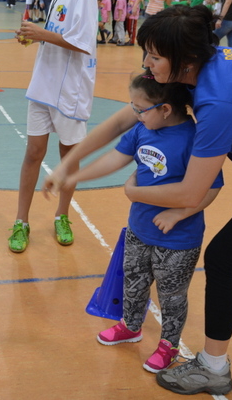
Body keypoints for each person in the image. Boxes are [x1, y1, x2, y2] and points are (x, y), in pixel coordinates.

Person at [45, 5, 232, 396]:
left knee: (224, 255)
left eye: (154, 56)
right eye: (146, 54)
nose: (146, 64)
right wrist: (68, 164)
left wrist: (133, 191)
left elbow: (192, 193)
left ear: (184, 59)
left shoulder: (217, 101)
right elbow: (126, 118)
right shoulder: (191, 72)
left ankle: (213, 367)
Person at [66, 74, 222, 374]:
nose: (136, 115)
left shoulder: (195, 139)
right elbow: (115, 158)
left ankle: (169, 345)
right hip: (139, 229)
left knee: (171, 296)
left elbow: (211, 188)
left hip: (178, 239)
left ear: (165, 109)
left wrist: (178, 214)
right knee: (134, 281)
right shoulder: (142, 130)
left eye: (141, 109)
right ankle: (131, 325)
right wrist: (73, 176)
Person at [9, 0, 98, 253]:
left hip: (70, 90)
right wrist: (35, 37)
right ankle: (21, 221)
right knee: (33, 153)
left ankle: (62, 215)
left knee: (67, 157)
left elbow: (82, 42)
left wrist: (41, 33)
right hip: (43, 85)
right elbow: (58, 34)